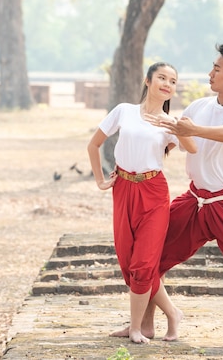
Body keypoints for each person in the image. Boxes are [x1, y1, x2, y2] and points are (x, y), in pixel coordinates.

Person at [144, 43, 223, 349]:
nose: (210, 73)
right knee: (149, 255)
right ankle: (145, 323)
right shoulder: (198, 106)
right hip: (194, 200)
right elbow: (169, 143)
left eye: (216, 68)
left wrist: (195, 130)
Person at [87, 62, 196, 344]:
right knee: (127, 261)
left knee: (144, 263)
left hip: (154, 191)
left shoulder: (170, 123)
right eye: (162, 77)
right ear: (147, 81)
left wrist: (179, 128)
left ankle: (136, 328)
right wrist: (101, 180)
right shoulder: (124, 111)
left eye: (173, 80)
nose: (167, 83)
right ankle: (172, 314)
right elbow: (93, 144)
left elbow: (190, 148)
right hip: (122, 188)